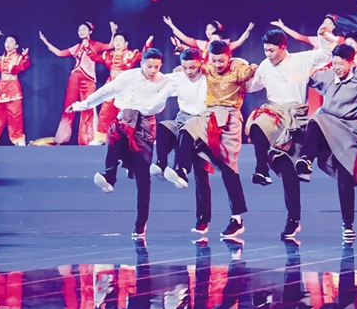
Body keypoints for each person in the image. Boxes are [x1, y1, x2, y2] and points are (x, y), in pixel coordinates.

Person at [244, 29, 334, 240]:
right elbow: (251, 86)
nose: (268, 54)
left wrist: (323, 35)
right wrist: (240, 74)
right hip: (274, 114)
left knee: (288, 171)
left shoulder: (302, 60)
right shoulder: (265, 66)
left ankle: (293, 220)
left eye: (272, 50)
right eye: (266, 50)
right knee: (257, 123)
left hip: (295, 117)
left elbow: (325, 54)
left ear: (283, 47)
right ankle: (261, 169)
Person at [69, 48, 167, 238]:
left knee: (142, 177)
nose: (153, 70)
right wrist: (83, 105)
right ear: (142, 64)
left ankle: (140, 224)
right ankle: (109, 176)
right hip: (125, 120)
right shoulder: (128, 77)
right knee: (114, 134)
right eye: (149, 66)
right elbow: (106, 91)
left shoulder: (164, 80)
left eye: (156, 67)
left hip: (145, 128)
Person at [174, 40, 258, 240]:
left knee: (229, 167)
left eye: (222, 61)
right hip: (208, 115)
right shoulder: (207, 68)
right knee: (188, 129)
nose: (218, 65)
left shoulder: (238, 70)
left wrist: (247, 65)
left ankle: (237, 219)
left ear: (229, 57)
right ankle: (181, 170)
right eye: (214, 60)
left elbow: (255, 71)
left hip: (230, 118)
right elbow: (187, 68)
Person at [294, 44, 357, 243]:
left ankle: (348, 225)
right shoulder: (327, 76)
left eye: (341, 64)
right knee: (315, 120)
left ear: (351, 63)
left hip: (350, 131)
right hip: (328, 124)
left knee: (345, 178)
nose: (337, 67)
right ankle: (305, 161)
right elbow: (304, 76)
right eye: (334, 63)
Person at [148, 48, 210, 234]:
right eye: (185, 67)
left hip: (203, 124)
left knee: (201, 176)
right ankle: (161, 164)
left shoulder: (209, 76)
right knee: (164, 127)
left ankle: (182, 171)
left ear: (201, 64)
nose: (189, 71)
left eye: (193, 67)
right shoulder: (177, 77)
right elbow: (155, 83)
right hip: (183, 120)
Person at [40, 21, 116, 145]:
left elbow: (110, 46)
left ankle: (88, 139)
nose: (81, 32)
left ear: (90, 31)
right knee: (69, 106)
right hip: (75, 77)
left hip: (89, 79)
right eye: (79, 30)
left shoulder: (95, 45)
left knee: (89, 106)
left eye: (84, 29)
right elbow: (60, 53)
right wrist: (45, 41)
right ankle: (62, 138)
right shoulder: (77, 47)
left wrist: (113, 32)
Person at [91, 31, 154, 145]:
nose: (117, 42)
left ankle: (129, 137)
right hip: (112, 84)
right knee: (106, 111)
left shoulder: (131, 54)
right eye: (116, 40)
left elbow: (144, 56)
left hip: (126, 86)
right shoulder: (109, 55)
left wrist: (147, 45)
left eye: (120, 40)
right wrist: (87, 49)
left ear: (126, 43)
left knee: (126, 112)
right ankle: (101, 137)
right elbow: (95, 57)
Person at [0, 36, 30, 147]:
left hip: (12, 88)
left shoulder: (18, 58)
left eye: (11, 42)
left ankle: (18, 138)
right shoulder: (0, 59)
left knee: (15, 114)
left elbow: (23, 67)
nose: (8, 44)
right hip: (0, 87)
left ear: (16, 46)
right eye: (6, 41)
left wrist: (25, 57)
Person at [163, 16, 253, 61]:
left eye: (211, 29)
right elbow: (184, 38)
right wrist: (171, 25)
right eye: (207, 30)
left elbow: (240, 41)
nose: (208, 32)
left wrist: (248, 30)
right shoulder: (204, 45)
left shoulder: (225, 45)